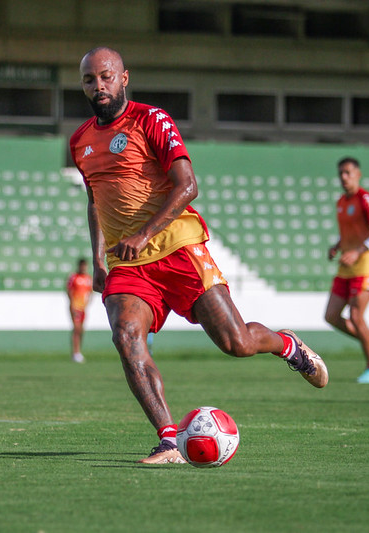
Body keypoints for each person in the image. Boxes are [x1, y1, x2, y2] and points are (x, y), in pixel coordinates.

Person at [69, 46, 328, 465]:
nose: (98, 86)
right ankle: (168, 441)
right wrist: (98, 259)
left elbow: (188, 185)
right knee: (126, 336)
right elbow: (94, 202)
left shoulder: (151, 120)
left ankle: (288, 346)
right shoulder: (80, 140)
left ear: (124, 78)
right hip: (127, 263)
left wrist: (144, 233)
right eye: (89, 79)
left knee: (237, 342)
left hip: (177, 246)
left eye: (106, 76)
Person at [325, 157, 369, 384]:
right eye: (341, 173)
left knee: (355, 315)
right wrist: (337, 246)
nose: (344, 177)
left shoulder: (366, 199)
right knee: (331, 316)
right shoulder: (341, 202)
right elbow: (348, 233)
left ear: (358, 174)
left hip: (365, 267)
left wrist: (358, 251)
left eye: (348, 172)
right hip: (346, 268)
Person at [66, 258, 93, 363]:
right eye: (82, 265)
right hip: (75, 307)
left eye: (85, 266)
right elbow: (69, 290)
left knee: (81, 330)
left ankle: (79, 351)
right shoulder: (74, 277)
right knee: (76, 329)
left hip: (83, 308)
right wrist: (72, 305)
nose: (83, 268)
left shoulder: (88, 278)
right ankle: (75, 353)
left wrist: (88, 303)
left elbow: (90, 291)